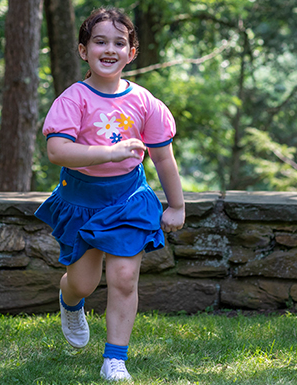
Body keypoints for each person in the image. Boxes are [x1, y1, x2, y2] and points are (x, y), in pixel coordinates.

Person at [35, 6, 185, 382]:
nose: (109, 49)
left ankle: (115, 358)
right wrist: (108, 152)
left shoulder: (145, 102)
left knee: (123, 277)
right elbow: (57, 151)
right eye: (100, 41)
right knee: (83, 282)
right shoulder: (74, 98)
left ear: (131, 52)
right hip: (82, 200)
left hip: (128, 200)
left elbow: (164, 159)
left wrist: (177, 205)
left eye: (119, 42)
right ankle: (70, 301)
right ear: (84, 50)